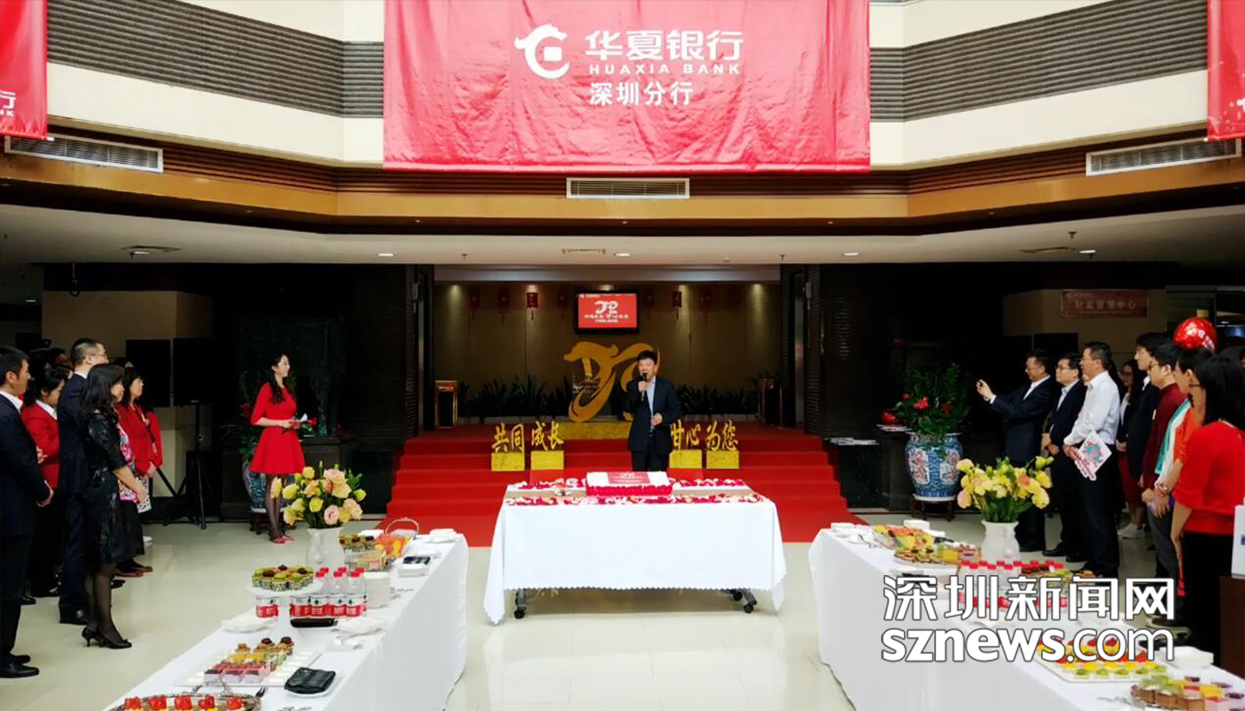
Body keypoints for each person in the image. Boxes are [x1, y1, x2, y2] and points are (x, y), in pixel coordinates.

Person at [1171, 356, 1245, 665]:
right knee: (1229, 614)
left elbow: (1188, 494)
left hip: (1206, 534)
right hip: (1235, 537)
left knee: (1204, 613)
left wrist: (1175, 533)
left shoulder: (1208, 435)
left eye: (1196, 386)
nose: (1191, 393)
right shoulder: (1238, 433)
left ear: (1211, 391)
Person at [79, 365, 148, 649]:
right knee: (105, 563)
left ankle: (95, 623)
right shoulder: (98, 419)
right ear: (106, 386)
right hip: (104, 489)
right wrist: (137, 487)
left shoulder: (97, 415)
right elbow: (115, 461)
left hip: (98, 487)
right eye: (118, 383)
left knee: (97, 563)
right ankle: (106, 627)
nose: (122, 388)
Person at [1146, 346, 1214, 629]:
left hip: (1183, 494)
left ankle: (1184, 613)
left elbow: (1184, 457)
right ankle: (1181, 610)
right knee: (1174, 556)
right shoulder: (1187, 406)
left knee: (1179, 557)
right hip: (1171, 487)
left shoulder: (1198, 412)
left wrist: (1163, 489)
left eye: (1177, 371)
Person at [0, 347, 55, 678]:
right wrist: (42, 490)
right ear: (10, 376)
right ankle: (1, 654)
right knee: (8, 585)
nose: (29, 376)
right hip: (10, 511)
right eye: (25, 370)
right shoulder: (6, 413)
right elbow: (19, 463)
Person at [976, 349, 1056, 552]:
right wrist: (991, 397)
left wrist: (992, 398)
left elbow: (1020, 411)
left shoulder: (1046, 389)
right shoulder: (1027, 386)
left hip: (1027, 446)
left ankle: (1033, 539)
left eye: (1030, 367)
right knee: (1016, 492)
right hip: (1014, 444)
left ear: (1041, 368)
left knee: (1028, 492)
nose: (1026, 370)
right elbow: (1010, 401)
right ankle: (1019, 536)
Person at [58, 338, 110, 627]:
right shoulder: (75, 390)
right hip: (79, 474)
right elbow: (86, 426)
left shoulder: (84, 388)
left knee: (88, 539)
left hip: (88, 473)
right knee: (77, 541)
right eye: (103, 355)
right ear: (89, 358)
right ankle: (71, 603)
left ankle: (87, 598)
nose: (106, 360)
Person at [1063, 342, 1123, 578]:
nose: (1081, 362)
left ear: (1097, 362)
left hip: (1101, 451)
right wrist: (1071, 442)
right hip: (1087, 449)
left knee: (1098, 512)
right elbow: (1082, 420)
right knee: (1087, 510)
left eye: (1084, 358)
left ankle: (1106, 568)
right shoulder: (1092, 386)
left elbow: (1093, 423)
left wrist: (1068, 440)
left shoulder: (1106, 387)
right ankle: (1093, 563)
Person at [1135, 344, 1185, 571]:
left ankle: (1174, 592)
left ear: (1167, 369)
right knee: (1165, 549)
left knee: (1169, 551)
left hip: (1164, 486)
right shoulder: (1164, 397)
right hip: (1157, 482)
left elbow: (1170, 451)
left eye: (1152, 367)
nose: (1148, 371)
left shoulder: (1174, 399)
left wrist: (1158, 486)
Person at [21, 367, 69, 598]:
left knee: (55, 533)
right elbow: (44, 450)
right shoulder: (35, 415)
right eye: (59, 391)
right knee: (46, 535)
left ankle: (51, 575)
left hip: (59, 478)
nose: (62, 395)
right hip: (48, 480)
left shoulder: (51, 411)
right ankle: (42, 582)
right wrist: (65, 432)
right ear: (44, 391)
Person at [249, 354, 305, 544]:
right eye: (284, 363)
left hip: (288, 438)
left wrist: (294, 423)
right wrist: (280, 422)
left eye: (288, 363)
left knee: (280, 484)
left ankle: (279, 528)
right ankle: (273, 529)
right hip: (273, 439)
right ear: (274, 367)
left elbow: (288, 413)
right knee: (272, 484)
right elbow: (256, 419)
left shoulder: (287, 389)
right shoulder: (267, 389)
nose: (288, 366)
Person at [1119, 333, 1168, 537]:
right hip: (1142, 465)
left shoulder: (1161, 392)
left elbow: (1155, 435)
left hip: (1152, 469)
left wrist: (1147, 471)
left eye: (1140, 351)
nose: (1136, 356)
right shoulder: (1148, 386)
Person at [1042, 354, 1088, 560]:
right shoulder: (1062, 392)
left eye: (1062, 368)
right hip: (1057, 449)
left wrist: (1054, 438)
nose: (1057, 371)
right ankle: (1067, 541)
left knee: (1073, 501)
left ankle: (1078, 545)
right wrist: (1050, 440)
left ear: (1075, 372)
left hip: (1071, 451)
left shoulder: (1081, 393)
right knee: (1063, 500)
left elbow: (1073, 424)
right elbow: (1054, 421)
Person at [115, 368, 154, 578]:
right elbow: (127, 441)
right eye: (138, 381)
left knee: (133, 517)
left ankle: (130, 558)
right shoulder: (121, 410)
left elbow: (144, 437)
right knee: (126, 517)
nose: (142, 385)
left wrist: (151, 460)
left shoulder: (136, 407)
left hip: (140, 466)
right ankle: (123, 562)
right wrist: (142, 464)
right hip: (130, 469)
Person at [624, 350, 684, 472]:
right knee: (640, 479)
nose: (644, 368)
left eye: (648, 365)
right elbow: (627, 407)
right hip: (639, 442)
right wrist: (637, 392)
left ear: (655, 367)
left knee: (658, 479)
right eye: (641, 365)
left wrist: (663, 417)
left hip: (660, 441)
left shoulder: (666, 386)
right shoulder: (632, 385)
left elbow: (677, 410)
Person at [1114, 359, 1146, 539]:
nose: (1125, 378)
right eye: (1123, 374)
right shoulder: (1124, 395)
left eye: (1128, 374)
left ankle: (1137, 522)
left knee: (1134, 487)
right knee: (1127, 486)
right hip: (1121, 446)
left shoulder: (1140, 396)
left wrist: (1127, 439)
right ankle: (1133, 520)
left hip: (1132, 447)